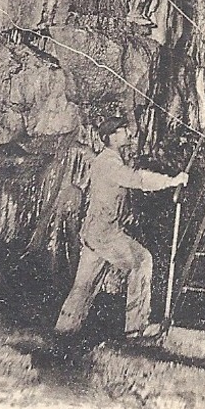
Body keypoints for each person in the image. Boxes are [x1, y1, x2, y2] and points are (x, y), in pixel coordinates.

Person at [55, 111, 188, 341]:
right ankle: (136, 327)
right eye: (124, 130)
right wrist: (172, 181)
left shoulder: (107, 161)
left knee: (84, 285)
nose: (129, 133)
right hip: (105, 234)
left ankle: (65, 330)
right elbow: (138, 179)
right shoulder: (109, 164)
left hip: (95, 232)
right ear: (113, 137)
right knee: (141, 260)